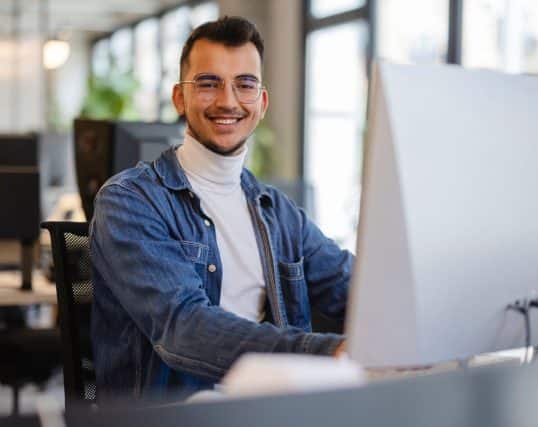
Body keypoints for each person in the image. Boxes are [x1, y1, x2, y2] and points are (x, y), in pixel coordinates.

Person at [90, 16, 353, 401]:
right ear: (180, 98)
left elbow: (349, 286)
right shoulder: (130, 201)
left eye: (244, 85)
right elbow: (185, 329)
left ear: (261, 103)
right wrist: (326, 352)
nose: (228, 101)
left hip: (271, 407)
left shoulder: (277, 213)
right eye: (209, 84)